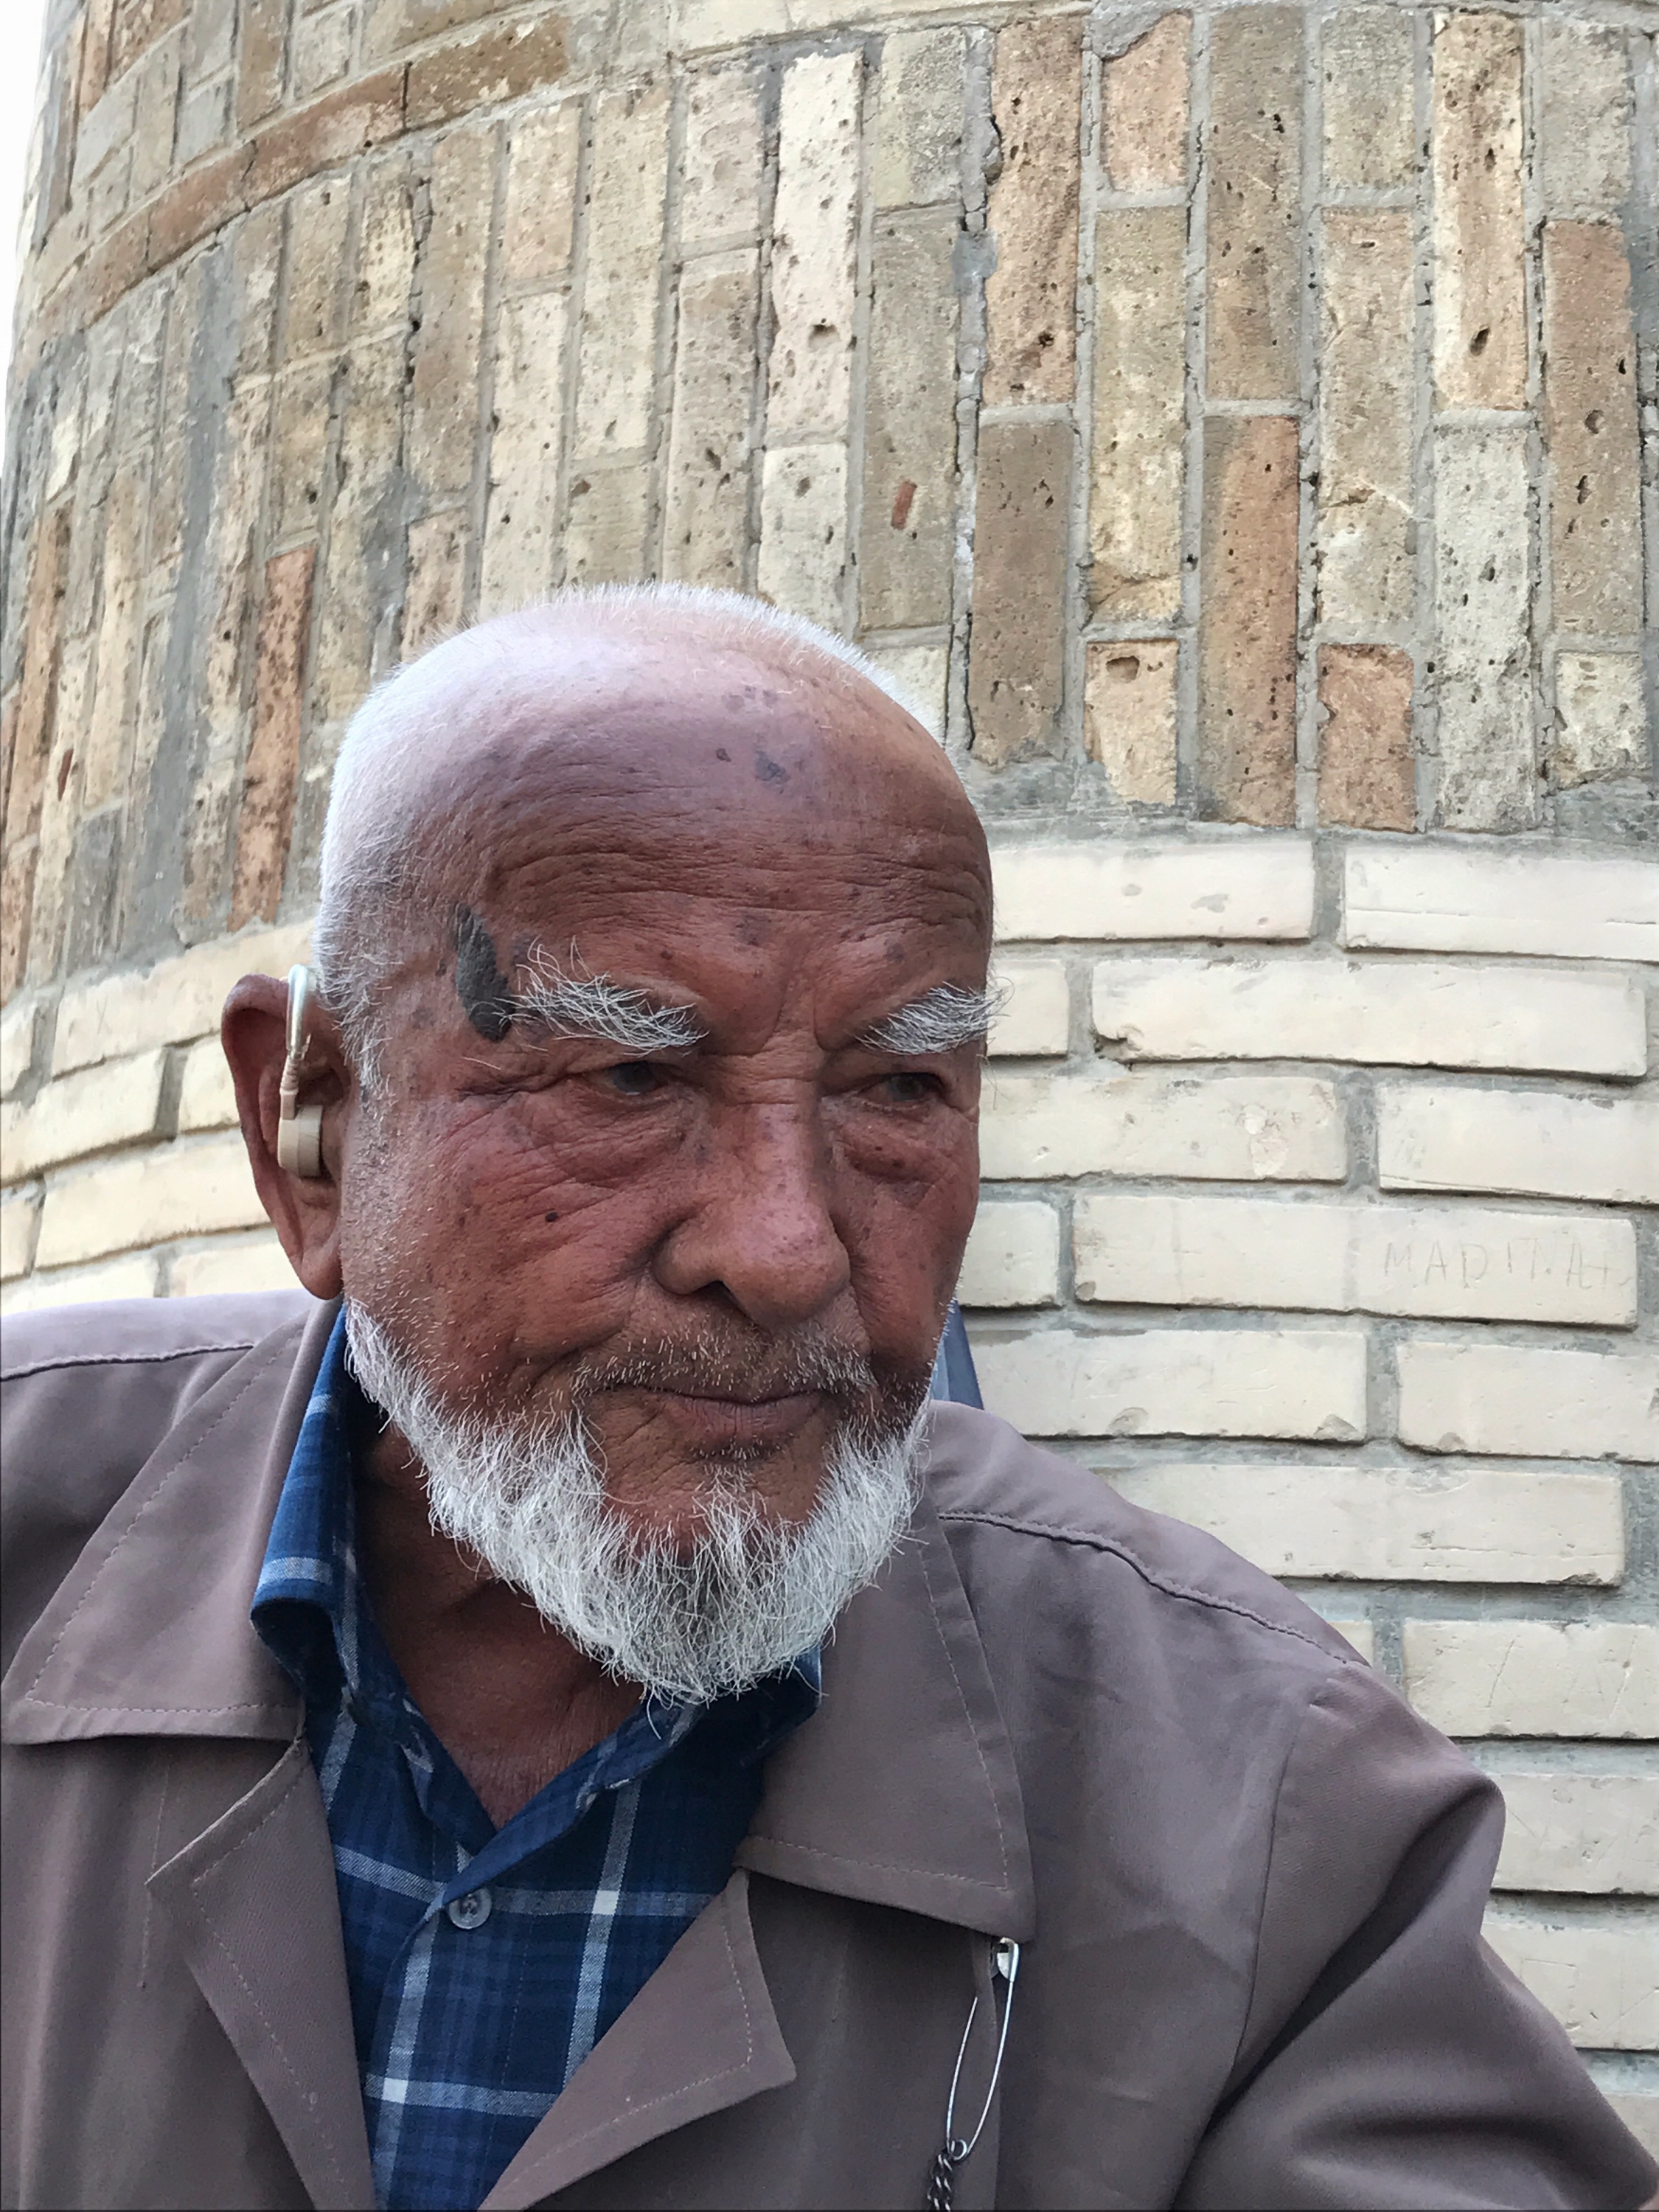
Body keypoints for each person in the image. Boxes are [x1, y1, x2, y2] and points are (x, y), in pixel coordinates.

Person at [3, 587, 1652, 2212]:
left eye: (896, 1089)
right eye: (629, 1075)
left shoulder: (1262, 1803)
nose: (787, 1252)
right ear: (311, 1127)